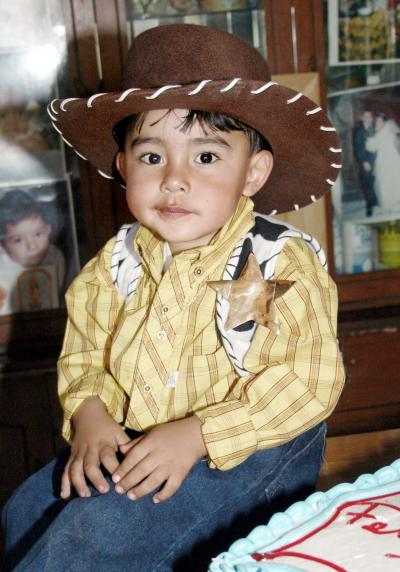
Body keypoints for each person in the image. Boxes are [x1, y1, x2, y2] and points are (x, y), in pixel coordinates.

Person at [2, 24, 345, 571]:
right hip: (143, 432)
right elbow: (85, 355)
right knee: (28, 509)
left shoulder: (266, 264)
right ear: (123, 168)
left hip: (253, 445)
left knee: (99, 534)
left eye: (206, 158)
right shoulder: (114, 266)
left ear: (252, 172)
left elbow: (306, 380)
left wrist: (200, 433)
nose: (175, 181)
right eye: (152, 157)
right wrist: (89, 412)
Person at [0, 189, 65, 315]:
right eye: (18, 240)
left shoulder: (55, 256)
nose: (32, 247)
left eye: (38, 234)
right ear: (2, 246)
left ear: (48, 230)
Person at [366, 112, 400, 212]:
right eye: (377, 121)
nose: (378, 123)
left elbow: (396, 141)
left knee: (394, 180)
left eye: (380, 121)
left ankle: (397, 202)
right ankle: (387, 203)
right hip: (382, 160)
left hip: (392, 159)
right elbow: (371, 148)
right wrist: (371, 137)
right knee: (383, 182)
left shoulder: (390, 132)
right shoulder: (375, 133)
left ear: (385, 122)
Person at [352, 109, 378, 216]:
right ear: (362, 118)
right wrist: (364, 162)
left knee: (374, 181)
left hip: (376, 160)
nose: (369, 118)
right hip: (367, 162)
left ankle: (375, 200)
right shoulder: (359, 131)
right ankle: (369, 206)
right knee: (367, 183)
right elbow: (358, 149)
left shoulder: (376, 128)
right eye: (366, 116)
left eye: (370, 116)